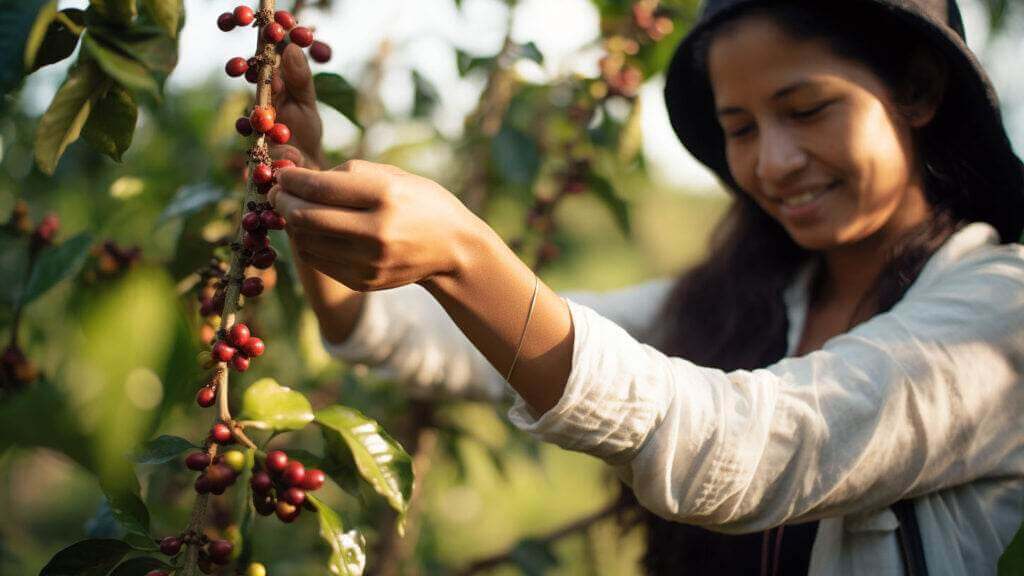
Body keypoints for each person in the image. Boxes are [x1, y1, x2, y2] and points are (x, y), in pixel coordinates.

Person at [266, 0, 1024, 573]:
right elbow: (417, 336)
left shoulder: (1001, 309)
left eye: (808, 110)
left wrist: (466, 253)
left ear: (918, 92)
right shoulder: (740, 299)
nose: (775, 162)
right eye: (742, 128)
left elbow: (758, 446)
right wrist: (310, 198)